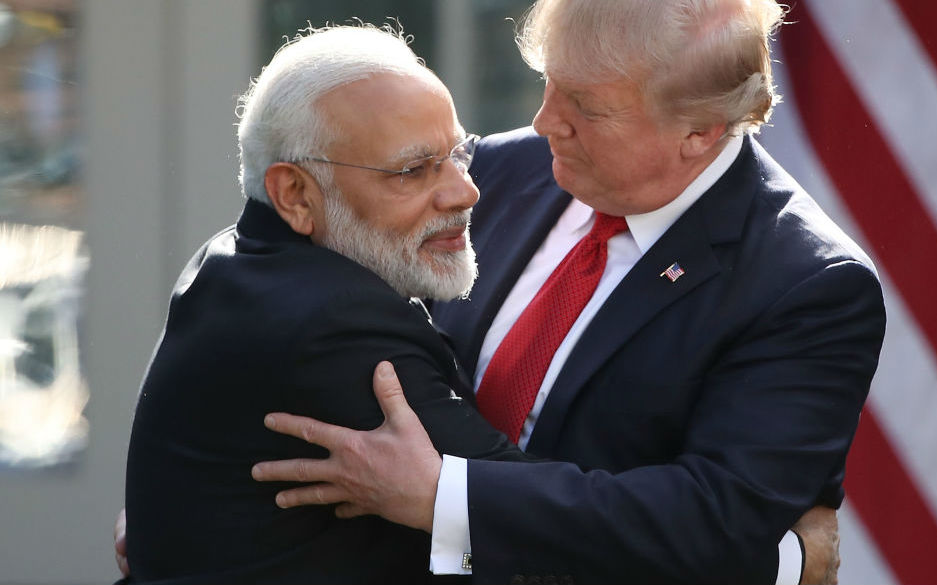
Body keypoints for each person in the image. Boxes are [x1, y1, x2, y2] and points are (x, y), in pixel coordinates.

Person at [249, 1, 886, 584]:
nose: (545, 121)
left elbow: (713, 520)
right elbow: (298, 285)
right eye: (549, 83)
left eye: (587, 106)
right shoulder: (498, 171)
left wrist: (447, 498)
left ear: (699, 131)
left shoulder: (807, 285)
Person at [121, 24, 529, 584]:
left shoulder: (235, 257)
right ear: (294, 194)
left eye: (457, 154)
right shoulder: (332, 324)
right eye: (413, 170)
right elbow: (530, 532)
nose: (465, 191)